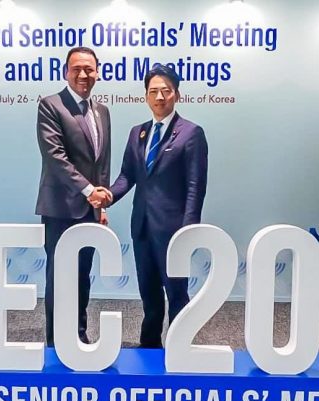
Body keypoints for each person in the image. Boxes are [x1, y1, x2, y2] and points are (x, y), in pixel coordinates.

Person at [107, 64, 208, 348]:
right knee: (149, 292)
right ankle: (150, 345)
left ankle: (179, 346)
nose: (159, 97)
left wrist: (188, 230)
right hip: (142, 226)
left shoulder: (191, 133)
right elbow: (127, 176)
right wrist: (108, 196)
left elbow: (195, 186)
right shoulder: (137, 133)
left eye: (166, 91)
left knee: (176, 293)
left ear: (177, 95)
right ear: (146, 97)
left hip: (173, 230)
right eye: (153, 92)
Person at [35, 46, 112, 347]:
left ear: (97, 72)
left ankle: (78, 336)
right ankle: (56, 342)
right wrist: (90, 191)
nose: (83, 74)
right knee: (59, 277)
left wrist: (102, 205)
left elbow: (101, 162)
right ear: (66, 72)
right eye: (76, 68)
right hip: (59, 209)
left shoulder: (102, 111)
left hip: (90, 211)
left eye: (89, 69)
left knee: (82, 275)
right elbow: (55, 157)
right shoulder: (50, 105)